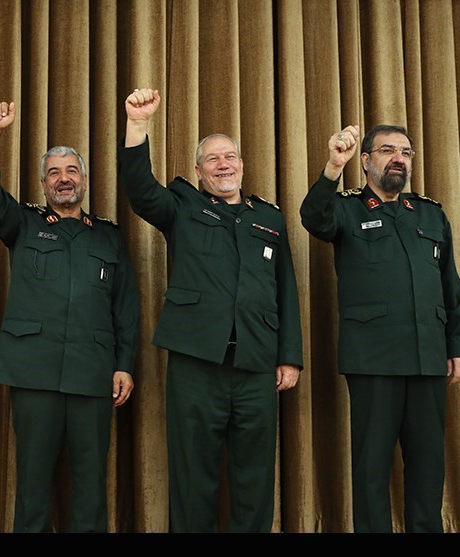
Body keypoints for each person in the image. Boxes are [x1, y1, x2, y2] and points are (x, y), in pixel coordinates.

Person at [119, 88, 303, 533]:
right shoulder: (182, 206)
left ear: (242, 165)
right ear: (199, 171)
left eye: (230, 157)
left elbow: (286, 289)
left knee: (254, 478)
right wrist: (138, 125)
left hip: (257, 365)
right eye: (213, 159)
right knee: (193, 477)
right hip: (196, 364)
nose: (224, 165)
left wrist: (289, 357)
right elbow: (141, 191)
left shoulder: (269, 218)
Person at [0, 101, 140, 533]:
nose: (63, 179)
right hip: (34, 371)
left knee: (91, 485)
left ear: (83, 179)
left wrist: (124, 365)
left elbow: (125, 306)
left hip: (92, 373)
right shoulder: (22, 223)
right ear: (44, 183)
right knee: (32, 484)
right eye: (53, 173)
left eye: (71, 171)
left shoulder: (108, 236)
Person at [299, 124, 460, 532]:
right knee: (371, 467)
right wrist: (333, 167)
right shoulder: (346, 208)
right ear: (366, 160)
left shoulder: (430, 214)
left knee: (428, 465)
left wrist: (457, 345)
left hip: (427, 357)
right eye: (387, 150)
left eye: (406, 153)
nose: (398, 159)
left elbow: (449, 284)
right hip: (373, 358)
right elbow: (314, 219)